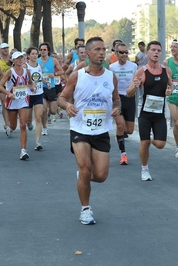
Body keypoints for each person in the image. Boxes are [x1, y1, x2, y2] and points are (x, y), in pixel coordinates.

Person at [57, 37, 120, 225]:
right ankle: (85, 209)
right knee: (85, 169)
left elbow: (117, 99)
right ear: (88, 53)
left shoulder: (111, 77)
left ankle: (82, 178)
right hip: (80, 128)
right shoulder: (78, 76)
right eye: (98, 50)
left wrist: (117, 108)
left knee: (100, 176)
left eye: (104, 49)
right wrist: (67, 106)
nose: (102, 53)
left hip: (101, 130)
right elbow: (62, 98)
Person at [126, 41, 173, 181]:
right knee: (144, 143)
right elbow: (128, 93)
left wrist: (170, 90)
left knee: (160, 144)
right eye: (153, 50)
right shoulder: (142, 71)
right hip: (144, 113)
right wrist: (134, 86)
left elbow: (171, 86)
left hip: (159, 114)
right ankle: (144, 169)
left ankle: (149, 139)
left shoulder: (166, 70)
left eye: (159, 50)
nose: (156, 52)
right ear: (147, 53)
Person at [0, 51, 35, 160]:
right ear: (13, 60)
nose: (20, 60)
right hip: (12, 101)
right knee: (14, 126)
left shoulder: (27, 71)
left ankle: (23, 150)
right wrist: (9, 93)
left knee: (23, 124)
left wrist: (32, 87)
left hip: (23, 100)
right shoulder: (10, 72)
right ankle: (9, 127)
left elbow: (30, 82)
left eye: (22, 58)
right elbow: (0, 86)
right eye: (17, 58)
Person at [109, 43, 138, 165]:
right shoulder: (112, 67)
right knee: (120, 126)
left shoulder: (133, 66)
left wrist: (134, 88)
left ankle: (119, 136)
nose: (124, 54)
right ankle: (123, 154)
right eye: (121, 52)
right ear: (116, 54)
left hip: (129, 98)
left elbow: (136, 81)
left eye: (126, 52)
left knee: (129, 130)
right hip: (117, 98)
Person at [37, 42, 64, 136]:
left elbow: (62, 71)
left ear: (48, 51)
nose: (43, 51)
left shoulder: (53, 60)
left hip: (51, 87)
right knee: (43, 109)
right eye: (41, 50)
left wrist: (55, 74)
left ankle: (49, 114)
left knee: (53, 111)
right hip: (41, 88)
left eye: (44, 49)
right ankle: (44, 127)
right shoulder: (37, 61)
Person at [25, 47, 45, 151]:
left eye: (36, 54)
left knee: (38, 118)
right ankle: (28, 123)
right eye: (32, 54)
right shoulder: (25, 66)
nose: (34, 55)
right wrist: (30, 84)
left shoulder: (39, 66)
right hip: (28, 95)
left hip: (39, 94)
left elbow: (40, 78)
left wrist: (46, 83)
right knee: (28, 119)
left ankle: (38, 141)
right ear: (28, 55)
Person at [0, 42, 13, 136]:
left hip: (12, 85)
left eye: (7, 48)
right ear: (0, 50)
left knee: (11, 104)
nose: (5, 50)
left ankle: (11, 122)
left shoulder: (12, 60)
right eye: (4, 48)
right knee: (4, 103)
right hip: (2, 85)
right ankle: (7, 124)